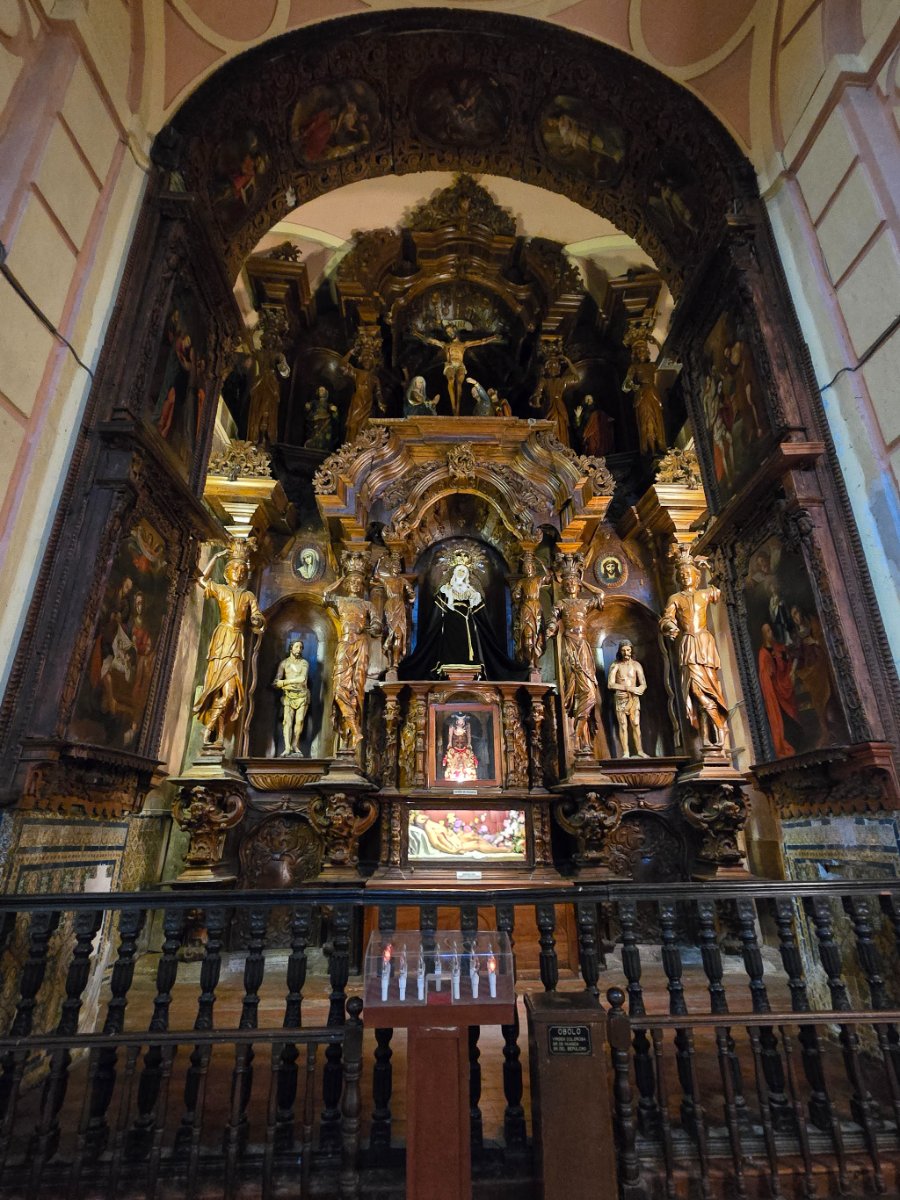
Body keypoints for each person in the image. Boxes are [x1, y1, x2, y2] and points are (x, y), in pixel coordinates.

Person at [399, 554, 526, 681]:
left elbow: (481, 615)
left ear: (467, 574)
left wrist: (475, 600)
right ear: (453, 573)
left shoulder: (472, 592)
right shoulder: (445, 590)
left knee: (472, 646)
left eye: (463, 571)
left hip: (468, 624)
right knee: (448, 646)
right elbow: (436, 614)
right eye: (458, 570)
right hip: (449, 625)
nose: (461, 573)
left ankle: (472, 668)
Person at [193, 545, 266, 747]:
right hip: (222, 638)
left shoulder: (248, 595)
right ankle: (214, 734)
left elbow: (256, 615)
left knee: (231, 692)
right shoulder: (222, 589)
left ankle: (210, 729)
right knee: (215, 686)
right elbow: (201, 580)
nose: (239, 572)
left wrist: (258, 620)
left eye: (242, 570)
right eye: (235, 568)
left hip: (236, 641)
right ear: (227, 573)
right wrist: (215, 557)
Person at [659, 555, 729, 749]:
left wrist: (709, 568)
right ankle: (716, 729)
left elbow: (720, 589)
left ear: (695, 576)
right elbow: (666, 618)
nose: (684, 576)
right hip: (688, 643)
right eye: (681, 573)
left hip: (704, 643)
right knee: (695, 690)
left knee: (711, 688)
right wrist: (670, 627)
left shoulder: (705, 594)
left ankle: (716, 732)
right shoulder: (675, 598)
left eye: (688, 572)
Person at [546, 564, 609, 756]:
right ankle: (578, 737)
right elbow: (552, 620)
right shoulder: (561, 603)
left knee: (590, 691)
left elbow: (600, 596)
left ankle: (581, 735)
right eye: (568, 582)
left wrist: (583, 581)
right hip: (570, 645)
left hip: (583, 646)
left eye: (574, 582)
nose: (571, 584)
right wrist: (549, 629)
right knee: (573, 689)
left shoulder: (583, 603)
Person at [323, 567, 380, 750]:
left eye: (358, 582)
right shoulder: (340, 600)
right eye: (352, 581)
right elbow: (325, 595)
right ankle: (355, 731)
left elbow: (378, 625)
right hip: (345, 643)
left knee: (356, 689)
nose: (356, 584)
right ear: (347, 584)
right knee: (340, 688)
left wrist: (373, 628)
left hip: (360, 644)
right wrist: (341, 577)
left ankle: (353, 733)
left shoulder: (367, 605)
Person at [414, 324, 503, 416]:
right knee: (451, 380)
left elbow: (481, 341)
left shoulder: (463, 344)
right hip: (450, 365)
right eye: (448, 332)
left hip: (460, 366)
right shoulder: (446, 345)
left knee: (459, 383)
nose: (450, 333)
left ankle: (457, 407)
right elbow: (430, 340)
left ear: (455, 330)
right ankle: (453, 408)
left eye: (451, 330)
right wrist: (417, 334)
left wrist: (493, 337)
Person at [757, 622, 799, 758]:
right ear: (763, 635)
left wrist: (789, 669)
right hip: (774, 693)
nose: (770, 633)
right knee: (783, 721)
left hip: (782, 686)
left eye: (770, 630)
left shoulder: (778, 648)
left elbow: (786, 662)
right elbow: (765, 675)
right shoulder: (763, 653)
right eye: (767, 631)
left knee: (792, 718)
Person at [511, 550, 551, 673]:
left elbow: (549, 577)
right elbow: (516, 594)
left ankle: (535, 661)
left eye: (529, 566)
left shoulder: (538, 579)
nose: (527, 568)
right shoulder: (521, 581)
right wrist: (516, 595)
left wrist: (540, 562)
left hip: (536, 607)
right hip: (525, 607)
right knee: (526, 635)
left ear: (533, 567)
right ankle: (529, 660)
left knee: (537, 634)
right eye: (525, 567)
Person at [607, 640, 648, 758]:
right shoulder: (616, 665)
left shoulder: (636, 665)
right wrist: (628, 688)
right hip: (621, 698)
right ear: (620, 651)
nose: (626, 652)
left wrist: (640, 689)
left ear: (631, 650)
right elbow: (610, 684)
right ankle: (626, 752)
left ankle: (640, 750)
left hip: (634, 698)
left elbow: (643, 684)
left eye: (628, 650)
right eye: (623, 650)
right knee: (623, 725)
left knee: (636, 724)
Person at [274, 638, 310, 756]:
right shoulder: (284, 663)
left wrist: (284, 683)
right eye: (296, 646)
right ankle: (287, 747)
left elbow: (302, 679)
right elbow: (276, 681)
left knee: (299, 721)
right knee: (287, 722)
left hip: (302, 695)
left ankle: (295, 744)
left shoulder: (304, 663)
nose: (299, 649)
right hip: (288, 696)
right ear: (291, 648)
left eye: (300, 647)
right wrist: (278, 683)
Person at [380, 554, 415, 674]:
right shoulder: (387, 580)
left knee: (399, 635)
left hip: (400, 606)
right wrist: (380, 561)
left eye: (398, 566)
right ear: (390, 567)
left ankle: (395, 662)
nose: (396, 567)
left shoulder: (402, 580)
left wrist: (411, 597)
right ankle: (388, 649)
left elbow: (410, 591)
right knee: (391, 631)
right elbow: (376, 575)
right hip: (390, 606)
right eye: (394, 565)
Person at [442, 713, 479, 781]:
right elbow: (450, 735)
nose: (461, 722)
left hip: (464, 743)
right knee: (454, 757)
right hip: (455, 743)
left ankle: (466, 774)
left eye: (462, 720)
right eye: (459, 720)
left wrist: (469, 743)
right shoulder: (452, 726)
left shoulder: (467, 725)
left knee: (466, 756)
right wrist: (449, 743)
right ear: (456, 720)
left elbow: (468, 735)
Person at [305, 385, 338, 451]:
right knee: (315, 432)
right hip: (316, 418)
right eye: (320, 390)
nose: (321, 392)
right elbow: (309, 406)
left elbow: (333, 410)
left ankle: (323, 446)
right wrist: (308, 406)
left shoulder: (327, 403)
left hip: (325, 417)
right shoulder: (315, 402)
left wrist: (334, 409)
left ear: (326, 392)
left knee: (325, 432)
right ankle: (313, 444)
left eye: (322, 390)